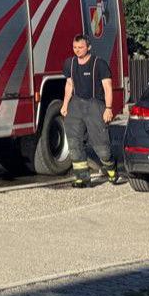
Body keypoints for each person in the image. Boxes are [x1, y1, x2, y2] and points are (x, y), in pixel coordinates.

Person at [61, 34, 117, 187]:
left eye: (80, 47)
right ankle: (82, 178)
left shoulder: (99, 64)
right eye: (74, 47)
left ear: (89, 47)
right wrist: (65, 105)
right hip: (76, 104)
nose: (77, 50)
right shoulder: (69, 64)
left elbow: (107, 87)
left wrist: (108, 108)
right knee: (74, 142)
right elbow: (69, 85)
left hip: (95, 105)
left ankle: (111, 167)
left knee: (101, 145)